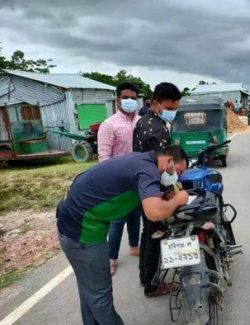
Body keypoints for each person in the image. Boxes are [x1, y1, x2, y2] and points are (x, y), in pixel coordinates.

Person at [57, 146, 189, 325]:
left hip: (75, 222)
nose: (177, 177)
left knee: (90, 290)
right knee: (100, 297)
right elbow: (155, 212)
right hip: (81, 232)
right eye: (178, 171)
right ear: (169, 162)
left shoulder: (143, 161)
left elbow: (140, 193)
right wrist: (178, 199)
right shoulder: (147, 170)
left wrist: (165, 195)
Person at [133, 82, 182, 297]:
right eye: (170, 108)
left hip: (141, 185)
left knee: (147, 232)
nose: (173, 112)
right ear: (156, 103)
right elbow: (162, 165)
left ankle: (145, 275)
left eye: (175, 108)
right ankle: (152, 285)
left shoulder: (142, 121)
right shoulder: (158, 129)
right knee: (156, 233)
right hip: (153, 188)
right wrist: (173, 192)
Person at [98, 82, 141, 276]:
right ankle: (111, 259)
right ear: (118, 100)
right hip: (117, 181)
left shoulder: (141, 122)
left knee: (135, 215)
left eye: (133, 97)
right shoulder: (109, 124)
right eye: (126, 97)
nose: (130, 101)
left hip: (138, 179)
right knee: (117, 221)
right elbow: (104, 156)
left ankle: (134, 247)